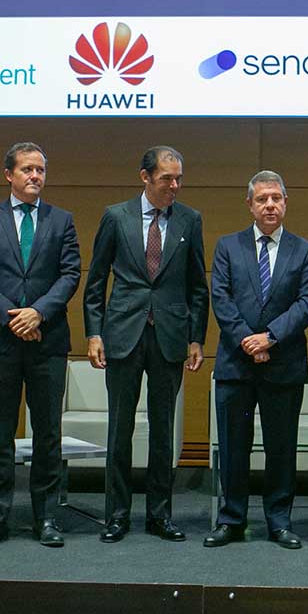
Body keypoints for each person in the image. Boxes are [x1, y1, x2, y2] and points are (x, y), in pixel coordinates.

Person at [83, 146, 209, 543]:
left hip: (170, 336)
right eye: (166, 178)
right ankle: (117, 516)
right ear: (145, 177)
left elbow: (197, 286)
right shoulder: (115, 216)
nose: (174, 186)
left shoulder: (190, 219)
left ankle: (160, 515)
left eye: (179, 179)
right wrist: (93, 333)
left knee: (163, 430)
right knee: (119, 429)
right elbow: (95, 280)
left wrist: (196, 337)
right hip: (123, 333)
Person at [0, 143, 81, 549]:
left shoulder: (61, 220)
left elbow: (70, 274)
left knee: (48, 432)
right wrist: (14, 317)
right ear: (8, 175)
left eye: (40, 170)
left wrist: (38, 313)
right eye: (27, 169)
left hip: (47, 339)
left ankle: (45, 517)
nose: (35, 176)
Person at [206, 170, 308, 550]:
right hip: (236, 364)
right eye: (262, 199)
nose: (270, 205)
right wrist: (248, 341)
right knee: (233, 447)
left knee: (281, 448)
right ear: (250, 205)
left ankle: (279, 521)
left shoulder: (303, 250)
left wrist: (270, 337)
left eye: (276, 198)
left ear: (285, 202)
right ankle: (231, 519)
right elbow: (221, 298)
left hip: (283, 363)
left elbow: (307, 303)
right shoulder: (228, 246)